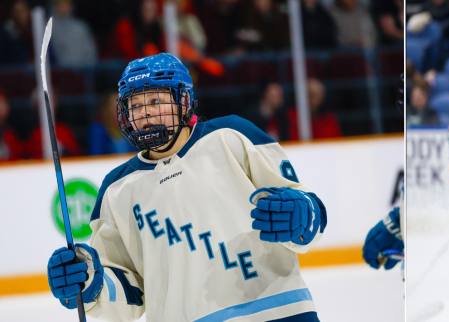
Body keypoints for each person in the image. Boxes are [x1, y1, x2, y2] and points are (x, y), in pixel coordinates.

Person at [45, 53, 327, 321]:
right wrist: (89, 283)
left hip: (279, 314)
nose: (145, 114)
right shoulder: (116, 189)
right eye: (136, 105)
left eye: (156, 100)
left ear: (183, 101)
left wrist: (303, 215)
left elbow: (303, 208)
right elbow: (129, 290)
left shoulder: (231, 137)